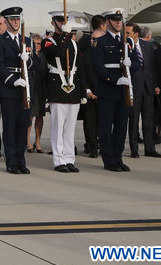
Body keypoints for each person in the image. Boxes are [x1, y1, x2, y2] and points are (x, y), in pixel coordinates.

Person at [92, 9, 141, 172]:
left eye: (120, 19)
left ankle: (118, 157)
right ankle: (108, 159)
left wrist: (130, 64)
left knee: (121, 125)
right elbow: (98, 67)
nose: (118, 22)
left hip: (124, 89)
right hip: (108, 89)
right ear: (107, 22)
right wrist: (114, 79)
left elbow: (137, 63)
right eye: (114, 20)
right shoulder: (101, 41)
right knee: (106, 127)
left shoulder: (127, 42)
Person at [0, 7, 33, 174]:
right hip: (9, 89)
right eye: (12, 19)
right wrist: (14, 81)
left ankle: (21, 161)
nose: (16, 22)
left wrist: (27, 60)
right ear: (7, 21)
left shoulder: (27, 41)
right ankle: (11, 162)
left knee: (23, 126)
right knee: (10, 127)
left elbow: (35, 64)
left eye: (18, 19)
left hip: (25, 88)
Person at [40, 13, 84, 173]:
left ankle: (69, 158)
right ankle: (59, 160)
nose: (62, 23)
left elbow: (80, 68)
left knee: (70, 128)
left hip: (73, 87)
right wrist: (65, 34)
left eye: (64, 21)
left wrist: (84, 91)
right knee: (58, 127)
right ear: (53, 23)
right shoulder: (47, 42)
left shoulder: (74, 44)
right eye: (59, 21)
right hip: (57, 86)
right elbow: (58, 52)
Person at [125, 23, 161, 158]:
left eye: (128, 33)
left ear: (136, 34)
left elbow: (152, 67)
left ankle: (150, 148)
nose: (126, 35)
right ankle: (134, 149)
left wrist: (155, 85)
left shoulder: (147, 45)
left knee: (149, 119)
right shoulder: (125, 46)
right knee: (134, 120)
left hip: (148, 87)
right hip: (133, 88)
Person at [78, 16, 104, 158]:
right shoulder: (85, 56)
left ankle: (103, 146)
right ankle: (92, 147)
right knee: (90, 123)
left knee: (103, 123)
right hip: (89, 94)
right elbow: (82, 75)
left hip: (103, 94)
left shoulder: (107, 55)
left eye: (96, 40)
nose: (94, 42)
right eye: (92, 40)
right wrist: (88, 91)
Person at [26, 33, 47, 154]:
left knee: (40, 116)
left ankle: (37, 141)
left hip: (41, 89)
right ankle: (27, 141)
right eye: (34, 43)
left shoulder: (44, 56)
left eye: (39, 43)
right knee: (30, 116)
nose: (37, 45)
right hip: (30, 88)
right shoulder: (28, 55)